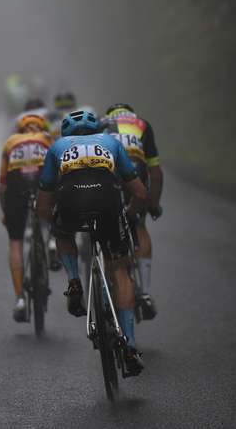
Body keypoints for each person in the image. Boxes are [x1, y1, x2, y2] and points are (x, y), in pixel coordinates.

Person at [36, 110, 148, 376]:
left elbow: (43, 200)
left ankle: (74, 281)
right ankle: (130, 346)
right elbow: (140, 192)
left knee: (63, 234)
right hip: (109, 203)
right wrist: (129, 214)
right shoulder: (112, 142)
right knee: (120, 269)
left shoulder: (57, 147)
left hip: (71, 202)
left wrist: (52, 224)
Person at [103, 103, 164, 320]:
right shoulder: (142, 124)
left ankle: (106, 286)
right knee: (139, 226)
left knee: (106, 228)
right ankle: (145, 292)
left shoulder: (102, 124)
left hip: (109, 175)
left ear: (110, 114)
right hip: (135, 173)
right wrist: (153, 203)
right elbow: (155, 172)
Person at [0, 113, 53, 322]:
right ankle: (54, 243)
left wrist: (6, 212)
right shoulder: (47, 138)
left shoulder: (10, 142)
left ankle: (20, 298)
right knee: (55, 202)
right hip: (41, 184)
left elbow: (2, 185)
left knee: (15, 241)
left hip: (16, 188)